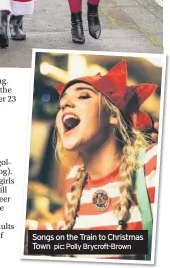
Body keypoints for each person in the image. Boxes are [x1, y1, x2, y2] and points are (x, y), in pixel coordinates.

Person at [27, 60, 157, 260]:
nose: (64, 104)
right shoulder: (75, 181)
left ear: (113, 115)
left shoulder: (151, 165)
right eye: (62, 103)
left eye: (83, 96)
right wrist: (26, 233)